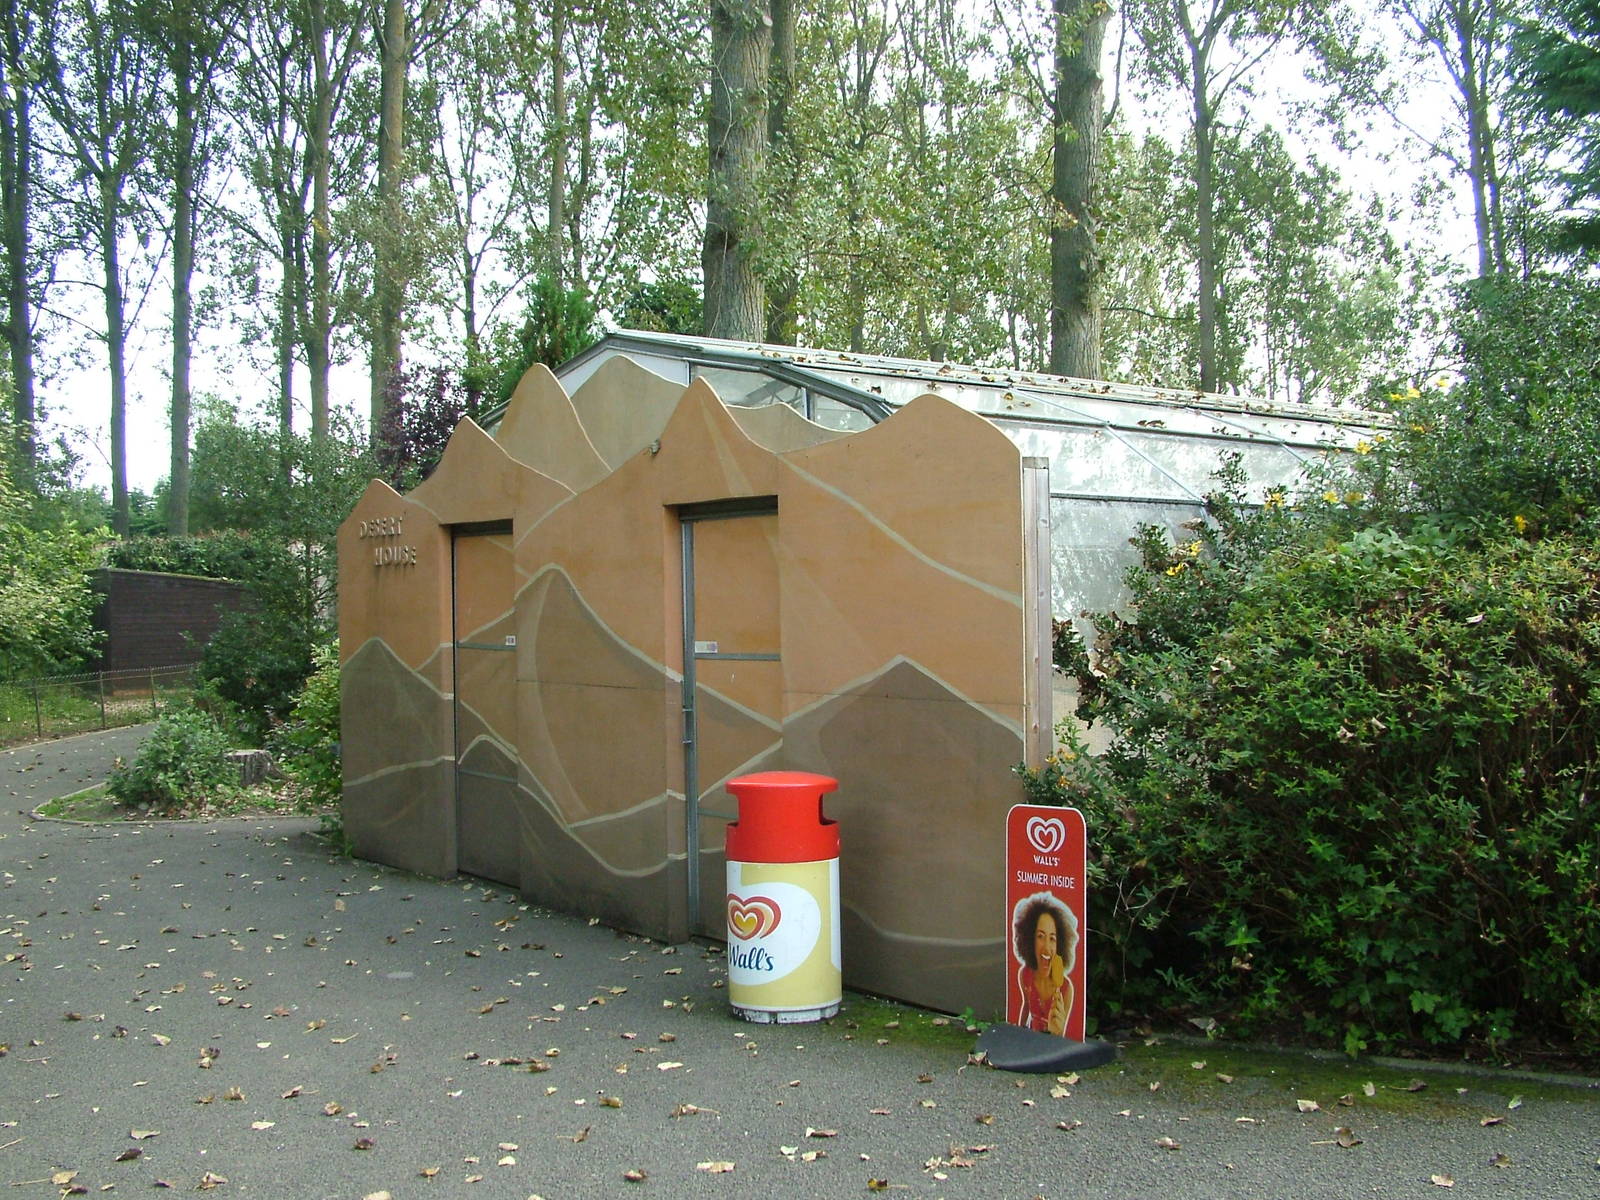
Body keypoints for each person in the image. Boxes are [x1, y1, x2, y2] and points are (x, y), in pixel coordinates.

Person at [1012, 892, 1078, 1036]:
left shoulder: (1066, 989)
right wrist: (1019, 1033)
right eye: (1040, 936)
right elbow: (1026, 1006)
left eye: (1052, 938)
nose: (1047, 947)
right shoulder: (1025, 975)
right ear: (1030, 940)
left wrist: (1056, 1029)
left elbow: (1062, 1036)